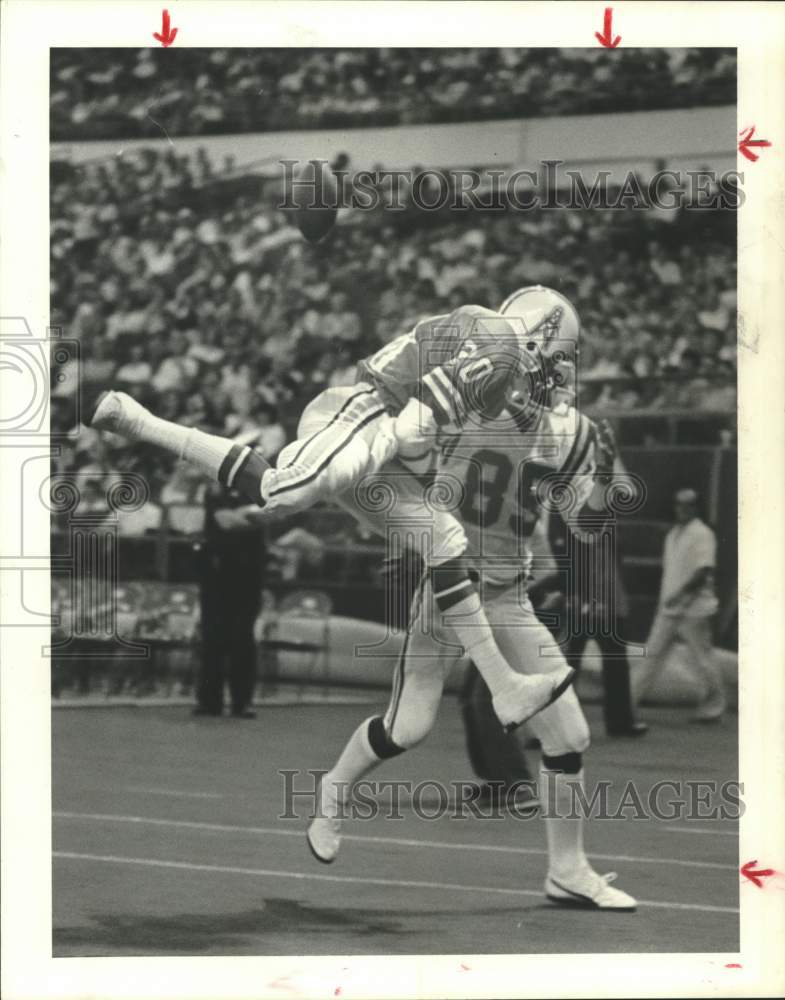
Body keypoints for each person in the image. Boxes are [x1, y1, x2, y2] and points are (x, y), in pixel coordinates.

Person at [90, 291, 580, 730]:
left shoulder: (497, 359)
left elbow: (428, 433)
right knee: (282, 491)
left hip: (391, 445)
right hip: (368, 416)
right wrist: (385, 462)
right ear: (539, 335)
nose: (554, 377)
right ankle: (139, 421)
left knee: (444, 538)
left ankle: (507, 687)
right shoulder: (497, 343)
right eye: (556, 360)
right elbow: (411, 428)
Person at [306, 288, 637, 911]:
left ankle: (568, 869)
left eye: (566, 363)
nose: (564, 374)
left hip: (508, 598)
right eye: (557, 359)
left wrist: (606, 478)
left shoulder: (568, 431)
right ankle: (333, 789)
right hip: (448, 588)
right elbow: (395, 433)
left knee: (569, 734)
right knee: (409, 727)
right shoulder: (463, 397)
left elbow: (588, 526)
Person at [634, 488, 725, 722]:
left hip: (694, 610)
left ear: (696, 507)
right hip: (668, 609)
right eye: (679, 504)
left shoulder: (702, 533)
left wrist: (680, 594)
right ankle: (627, 705)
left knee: (702, 660)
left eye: (687, 505)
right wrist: (670, 597)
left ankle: (714, 708)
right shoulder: (673, 534)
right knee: (651, 655)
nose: (682, 509)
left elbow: (704, 571)